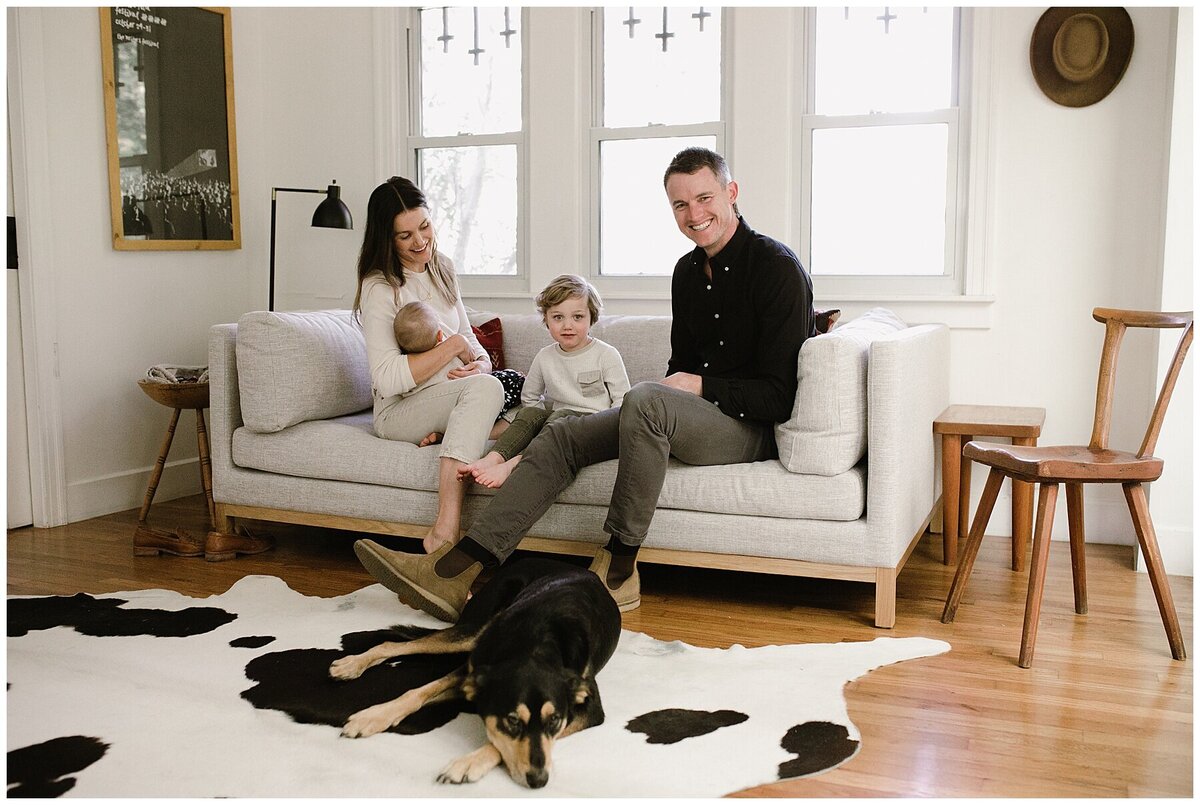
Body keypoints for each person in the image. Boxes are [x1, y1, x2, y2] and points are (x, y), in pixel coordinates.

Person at [353, 148, 815, 620]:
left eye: (705, 198)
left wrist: (697, 387)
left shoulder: (777, 268)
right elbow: (680, 367)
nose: (694, 215)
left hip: (747, 428)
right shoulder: (687, 272)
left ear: (731, 193)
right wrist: (676, 393)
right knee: (561, 436)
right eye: (680, 204)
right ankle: (453, 572)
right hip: (691, 417)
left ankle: (618, 567)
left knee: (647, 400)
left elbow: (780, 397)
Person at [353, 176, 507, 556]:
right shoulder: (381, 287)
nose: (420, 241)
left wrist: (481, 362)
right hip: (400, 410)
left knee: (536, 415)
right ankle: (445, 531)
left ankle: (450, 428)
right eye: (404, 236)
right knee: (487, 391)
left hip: (448, 397)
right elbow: (386, 379)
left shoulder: (442, 268)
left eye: (424, 226)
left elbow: (467, 336)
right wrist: (452, 347)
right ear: (386, 239)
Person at [457, 274, 631, 489]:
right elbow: (530, 396)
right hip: (557, 422)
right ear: (546, 320)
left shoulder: (606, 354)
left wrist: (606, 430)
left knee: (560, 416)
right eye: (558, 317)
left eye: (577, 317)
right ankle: (494, 458)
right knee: (530, 413)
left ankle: (514, 464)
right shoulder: (545, 356)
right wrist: (539, 421)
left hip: (593, 426)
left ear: (591, 318)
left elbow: (622, 401)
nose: (568, 325)